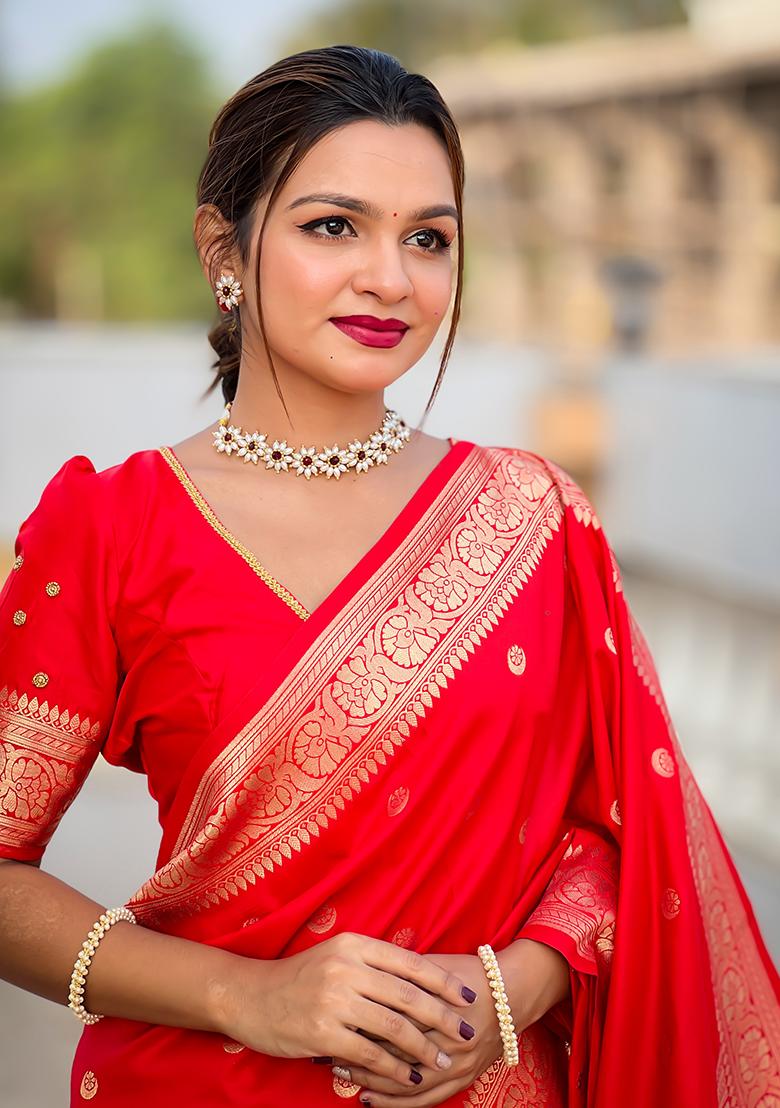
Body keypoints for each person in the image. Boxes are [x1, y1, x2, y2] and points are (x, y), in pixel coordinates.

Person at [0, 44, 777, 1108]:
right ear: (223, 247)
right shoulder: (112, 526)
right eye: (334, 226)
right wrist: (251, 995)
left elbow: (624, 838)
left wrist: (508, 989)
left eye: (429, 239)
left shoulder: (532, 520)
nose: (392, 279)